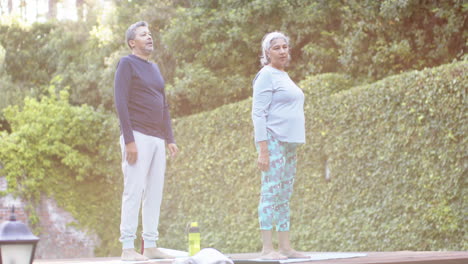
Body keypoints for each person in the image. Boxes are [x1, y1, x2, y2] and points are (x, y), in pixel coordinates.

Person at [114, 21, 179, 261]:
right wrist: (129, 140)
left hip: (156, 138)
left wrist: (169, 138)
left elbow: (163, 104)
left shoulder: (155, 68)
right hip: (137, 136)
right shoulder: (126, 64)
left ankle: (150, 245)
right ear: (133, 42)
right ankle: (127, 248)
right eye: (143, 35)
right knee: (133, 190)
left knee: (154, 191)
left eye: (150, 34)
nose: (149, 37)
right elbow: (120, 102)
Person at [251, 32, 309, 260]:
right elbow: (258, 113)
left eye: (285, 47)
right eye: (277, 48)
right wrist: (263, 149)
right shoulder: (266, 75)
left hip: (289, 143)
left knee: (284, 195)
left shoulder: (284, 75)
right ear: (267, 53)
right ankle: (267, 249)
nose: (283, 51)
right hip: (273, 140)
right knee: (270, 192)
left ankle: (285, 246)